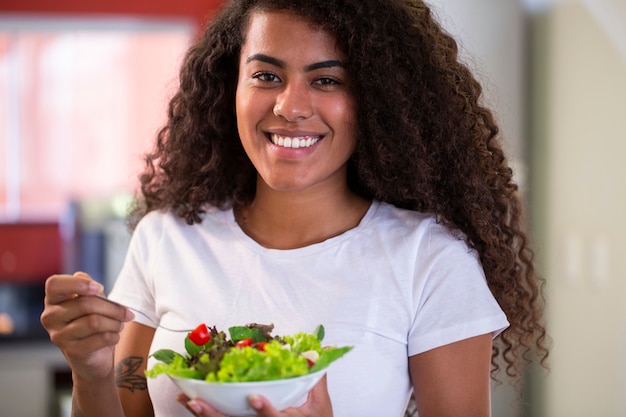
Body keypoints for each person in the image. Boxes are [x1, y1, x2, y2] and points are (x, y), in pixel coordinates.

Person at [40, 0, 550, 416]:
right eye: (266, 75)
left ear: (377, 100)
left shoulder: (431, 259)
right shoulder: (166, 237)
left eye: (327, 80)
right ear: (230, 86)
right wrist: (92, 370)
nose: (289, 105)